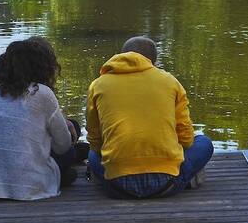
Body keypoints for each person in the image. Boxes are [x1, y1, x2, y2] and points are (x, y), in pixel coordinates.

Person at [86, 35, 214, 199]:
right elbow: (186, 139)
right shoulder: (170, 82)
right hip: (166, 184)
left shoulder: (98, 85)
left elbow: (95, 140)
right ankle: (187, 178)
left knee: (92, 154)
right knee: (204, 143)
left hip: (117, 186)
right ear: (152, 62)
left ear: (122, 56)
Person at [0, 36, 78, 200]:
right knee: (70, 151)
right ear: (43, 67)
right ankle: (50, 174)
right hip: (26, 186)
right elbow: (63, 147)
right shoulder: (43, 92)